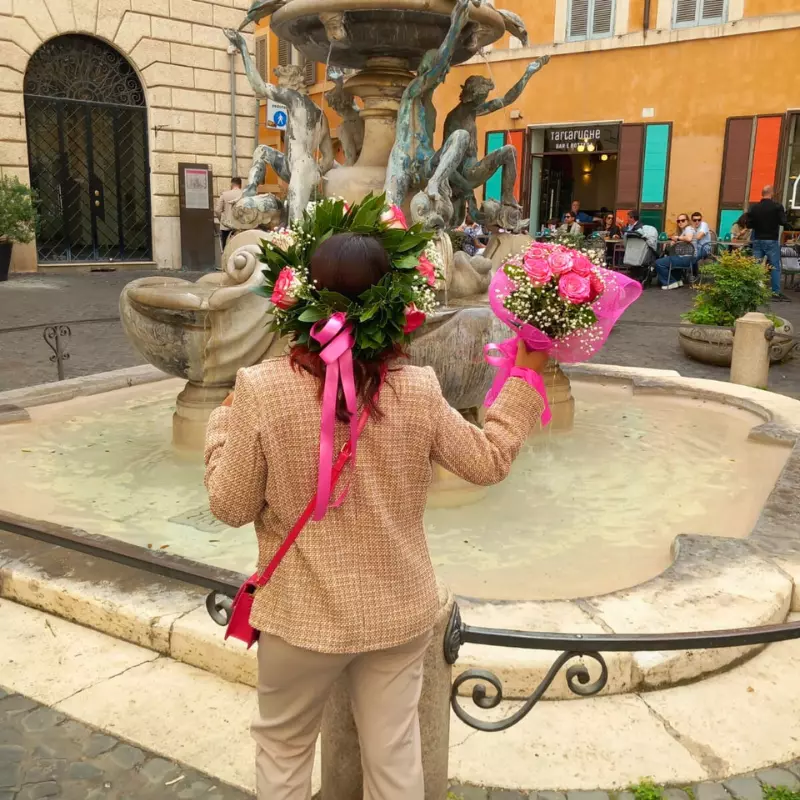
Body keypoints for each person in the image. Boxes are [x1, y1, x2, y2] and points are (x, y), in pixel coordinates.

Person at [204, 232, 549, 800]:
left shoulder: (260, 389)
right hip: (397, 615)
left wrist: (221, 425)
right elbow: (488, 461)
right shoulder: (419, 388)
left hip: (300, 617)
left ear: (299, 298)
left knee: (284, 751)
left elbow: (230, 504)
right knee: (393, 757)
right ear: (393, 301)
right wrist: (524, 376)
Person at [748, 185, 789, 301]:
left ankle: (754, 290)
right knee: (775, 266)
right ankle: (775, 292)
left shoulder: (754, 207)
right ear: (772, 193)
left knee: (755, 265)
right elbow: (783, 222)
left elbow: (749, 224)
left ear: (762, 193)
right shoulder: (777, 207)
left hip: (757, 239)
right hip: (771, 240)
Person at [654, 213, 696, 289]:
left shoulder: (689, 228)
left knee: (659, 263)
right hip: (687, 258)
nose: (680, 222)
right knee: (671, 258)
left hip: (686, 258)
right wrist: (675, 242)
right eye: (678, 221)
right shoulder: (684, 231)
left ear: (688, 221)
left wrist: (677, 238)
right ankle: (677, 280)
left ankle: (670, 282)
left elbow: (689, 238)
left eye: (683, 220)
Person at [215, 178, 243, 251]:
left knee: (226, 250)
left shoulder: (224, 195)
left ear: (231, 184)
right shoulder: (244, 195)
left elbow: (217, 210)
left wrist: (222, 220)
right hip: (241, 228)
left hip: (226, 228)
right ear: (240, 185)